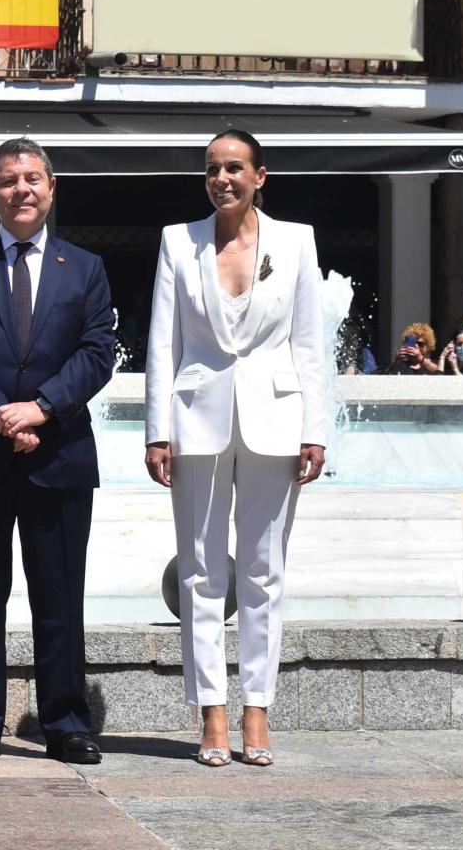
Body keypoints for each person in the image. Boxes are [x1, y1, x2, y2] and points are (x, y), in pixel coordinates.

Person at [0, 138, 114, 765]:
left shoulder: (84, 268)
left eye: (32, 178)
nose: (21, 190)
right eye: (8, 181)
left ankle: (64, 720)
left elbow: (96, 353)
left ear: (52, 187)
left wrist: (43, 408)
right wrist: (4, 417)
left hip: (59, 453)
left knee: (59, 595)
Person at [144, 129, 328, 768]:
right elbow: (162, 342)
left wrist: (316, 428)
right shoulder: (177, 240)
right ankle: (212, 714)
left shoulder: (296, 240)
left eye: (234, 168)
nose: (222, 179)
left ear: (260, 175)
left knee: (263, 571)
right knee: (199, 571)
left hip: (277, 420)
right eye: (212, 170)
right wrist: (156, 431)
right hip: (196, 419)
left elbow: (310, 342)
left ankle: (257, 709)